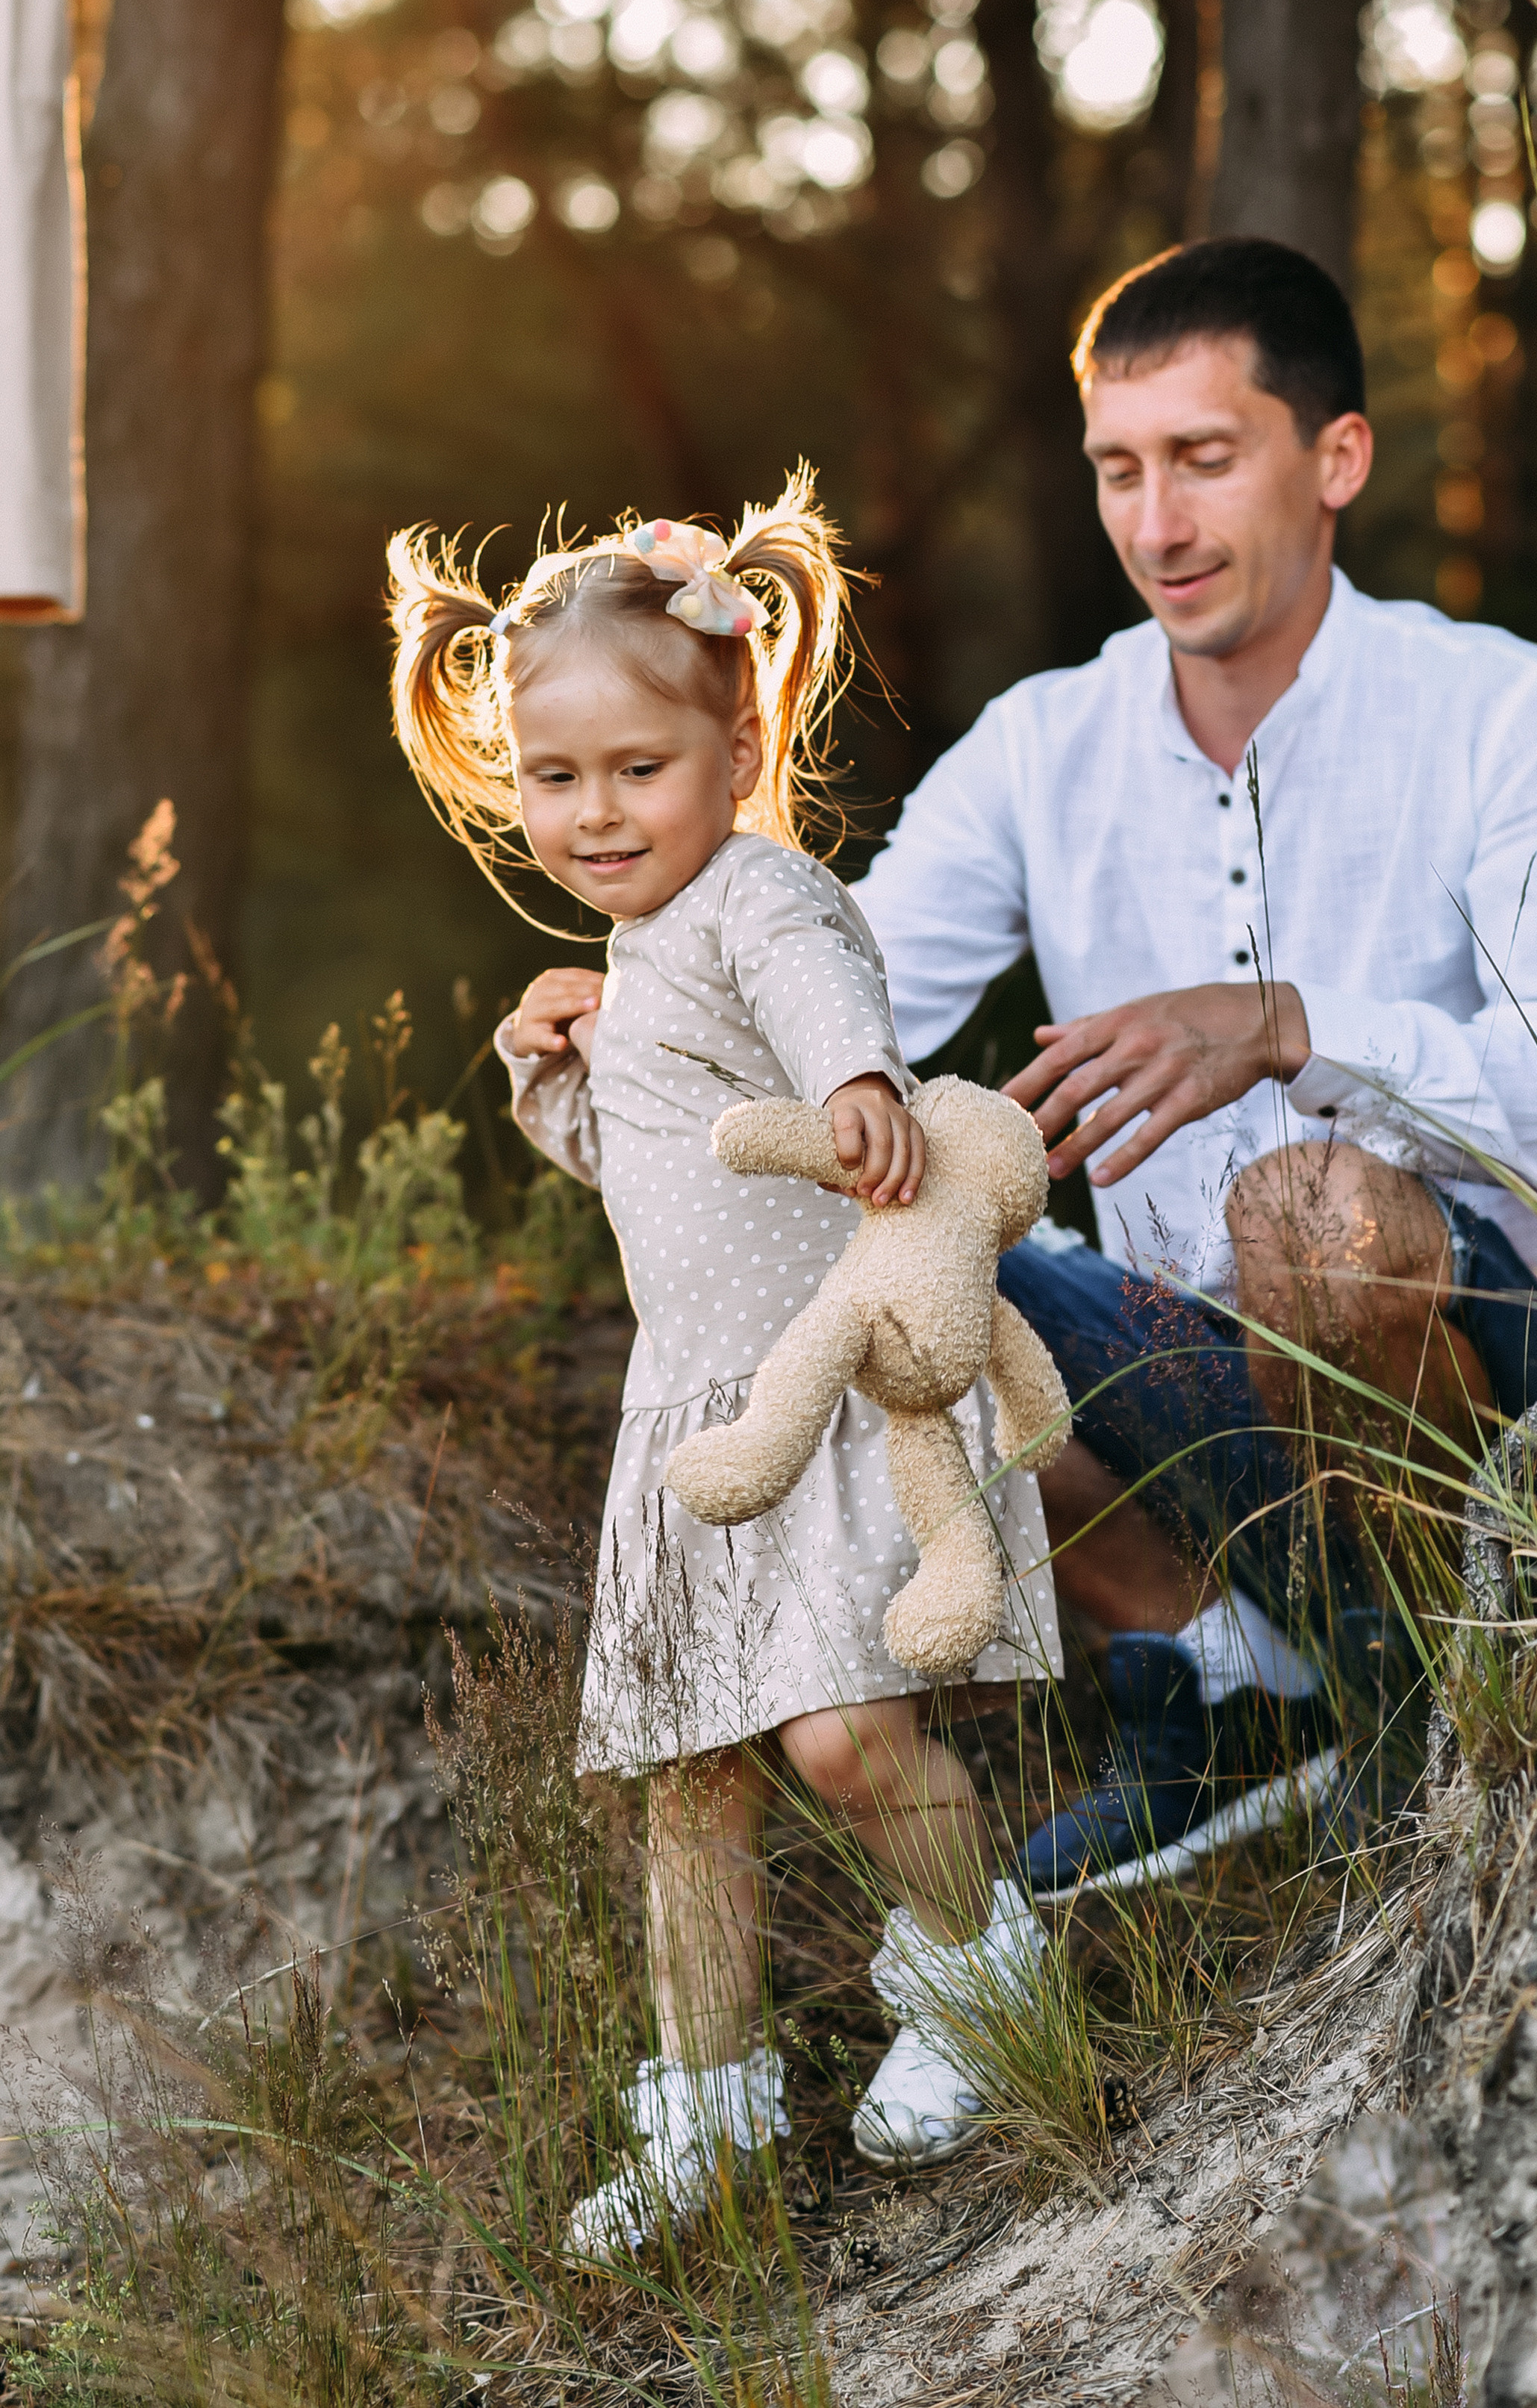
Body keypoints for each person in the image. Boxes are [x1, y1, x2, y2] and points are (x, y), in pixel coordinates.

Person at [854, 239, 1537, 1900]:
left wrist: (1294, 1026)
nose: (1156, 523)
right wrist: (630, 1015)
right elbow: (831, 1014)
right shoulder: (1040, 744)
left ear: (1334, 458)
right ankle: (1230, 1683)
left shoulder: (1508, 711)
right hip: (1188, 1388)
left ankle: (1454, 1706)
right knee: (861, 1235)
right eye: (1119, 470)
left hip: (1510, 1405)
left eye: (1203, 458)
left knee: (1308, 1210)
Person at [384, 474, 1060, 2259]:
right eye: (554, 778)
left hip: (824, 1404)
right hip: (691, 1424)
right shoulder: (628, 951)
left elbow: (818, 976)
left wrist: (852, 1077)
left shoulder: (759, 893)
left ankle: (989, 1984)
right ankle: (706, 2119)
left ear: (739, 747)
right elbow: (652, 1168)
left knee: (848, 1739)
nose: (595, 812)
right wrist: (551, 1073)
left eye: (638, 768)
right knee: (693, 1792)